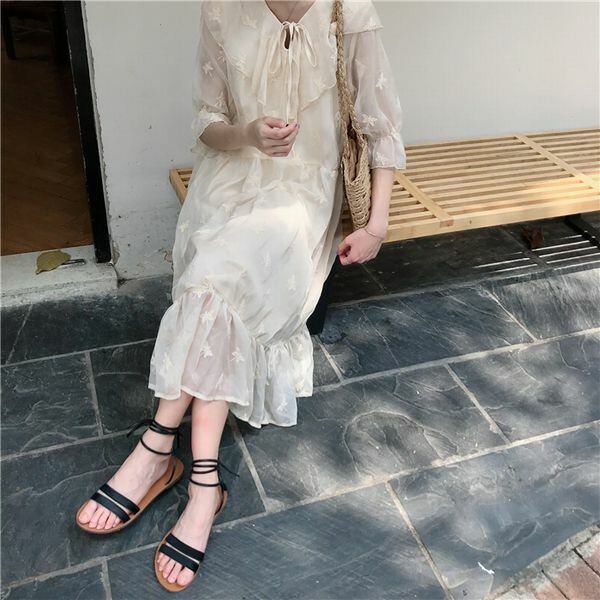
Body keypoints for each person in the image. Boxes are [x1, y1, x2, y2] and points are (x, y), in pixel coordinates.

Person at [75, 0, 406, 592]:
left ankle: (158, 450)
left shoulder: (349, 10)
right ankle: (202, 482)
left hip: (303, 193)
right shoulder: (221, 8)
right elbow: (208, 123)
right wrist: (248, 134)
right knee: (214, 286)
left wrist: (376, 226)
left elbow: (380, 124)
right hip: (230, 182)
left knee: (218, 285)